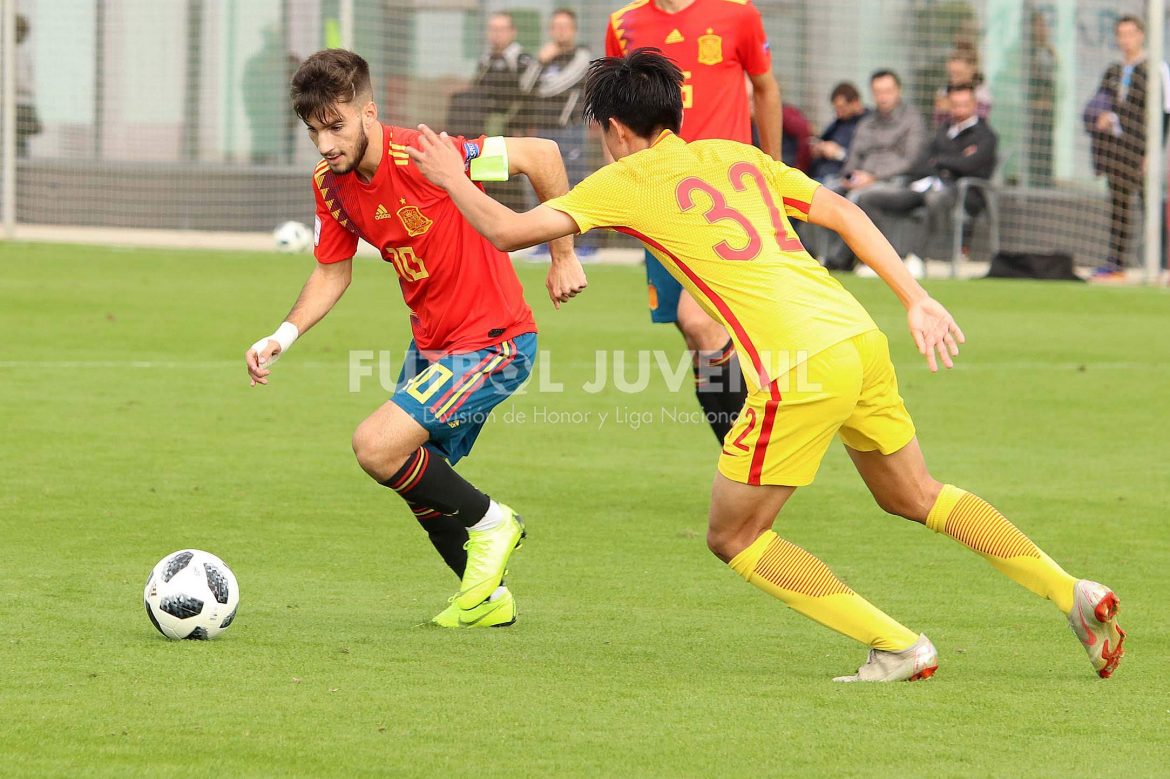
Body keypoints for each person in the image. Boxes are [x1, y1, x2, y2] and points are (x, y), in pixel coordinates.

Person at [407, 49, 1125, 682]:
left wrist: (447, 173)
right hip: (856, 333)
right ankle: (1073, 593)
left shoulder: (623, 182)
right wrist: (915, 296)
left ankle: (898, 645)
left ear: (617, 131)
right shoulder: (734, 154)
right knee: (914, 492)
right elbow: (842, 212)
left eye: (602, 133)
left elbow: (504, 230)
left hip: (799, 367)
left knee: (733, 536)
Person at [244, 49, 588, 629]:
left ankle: (493, 523)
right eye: (313, 131)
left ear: (368, 112)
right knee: (417, 476)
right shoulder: (331, 186)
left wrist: (563, 254)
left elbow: (543, 154)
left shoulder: (429, 155)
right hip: (432, 346)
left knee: (376, 446)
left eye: (335, 126)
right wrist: (283, 334)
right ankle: (485, 599)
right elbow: (333, 268)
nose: (325, 143)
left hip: (494, 342)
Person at [606, 0, 783, 444]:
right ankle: (737, 461)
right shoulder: (623, 24)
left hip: (723, 197)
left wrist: (775, 176)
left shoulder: (737, 14)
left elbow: (765, 89)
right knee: (695, 337)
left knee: (701, 323)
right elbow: (612, 118)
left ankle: (760, 455)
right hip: (659, 199)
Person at [855, 83, 997, 265]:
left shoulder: (985, 135)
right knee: (870, 199)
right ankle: (884, 259)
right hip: (927, 186)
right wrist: (953, 160)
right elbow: (925, 161)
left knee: (934, 199)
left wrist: (941, 161)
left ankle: (921, 257)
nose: (959, 109)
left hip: (963, 193)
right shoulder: (943, 130)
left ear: (974, 104)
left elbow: (970, 165)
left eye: (964, 104)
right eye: (955, 104)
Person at [1084, 15, 1170, 281]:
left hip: (1143, 152)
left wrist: (1153, 153)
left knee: (1152, 207)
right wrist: (1100, 118)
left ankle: (1163, 265)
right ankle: (1116, 263)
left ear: (1142, 35)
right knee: (1119, 207)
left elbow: (1165, 112)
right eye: (1121, 34)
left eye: (1130, 33)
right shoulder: (1113, 70)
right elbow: (1099, 103)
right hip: (1116, 152)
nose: (1126, 40)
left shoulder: (1156, 68)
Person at [823, 70, 926, 270]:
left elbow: (910, 161)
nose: (883, 97)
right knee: (827, 193)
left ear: (898, 91)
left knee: (860, 198)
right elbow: (854, 157)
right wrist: (848, 176)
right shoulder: (867, 122)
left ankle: (841, 260)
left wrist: (873, 177)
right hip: (861, 181)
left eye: (888, 91)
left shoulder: (913, 120)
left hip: (898, 183)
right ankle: (816, 254)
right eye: (878, 92)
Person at [521, 8, 596, 254]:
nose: (561, 31)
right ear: (550, 30)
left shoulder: (581, 55)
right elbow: (524, 86)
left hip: (570, 131)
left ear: (573, 30)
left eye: (565, 26)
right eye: (556, 26)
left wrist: (540, 65)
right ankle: (545, 243)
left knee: (573, 184)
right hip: (542, 132)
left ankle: (584, 243)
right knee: (542, 186)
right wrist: (540, 62)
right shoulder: (544, 56)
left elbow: (553, 86)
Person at [809, 82, 869, 187]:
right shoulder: (839, 122)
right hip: (819, 174)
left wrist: (839, 153)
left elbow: (864, 158)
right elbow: (822, 139)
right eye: (836, 109)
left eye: (842, 108)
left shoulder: (867, 124)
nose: (839, 113)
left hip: (841, 177)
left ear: (856, 103)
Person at [932, 48, 992, 126]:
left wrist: (951, 108)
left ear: (972, 69)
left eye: (958, 74)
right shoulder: (944, 91)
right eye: (951, 74)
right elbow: (938, 122)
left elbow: (979, 122)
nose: (953, 78)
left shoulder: (981, 93)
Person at [14, 14, 41, 158]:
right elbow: (21, 81)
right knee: (19, 146)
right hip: (19, 106)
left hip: (14, 106)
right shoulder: (19, 54)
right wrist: (33, 88)